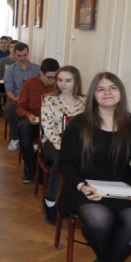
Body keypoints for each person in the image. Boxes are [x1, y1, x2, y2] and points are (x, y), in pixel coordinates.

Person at [58, 72, 131, 262]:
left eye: (112, 87)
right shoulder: (79, 124)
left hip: (123, 185)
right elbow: (66, 164)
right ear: (94, 95)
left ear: (121, 92)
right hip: (84, 185)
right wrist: (82, 186)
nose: (107, 93)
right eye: (100, 89)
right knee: (100, 218)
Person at [40, 66, 85, 225]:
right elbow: (48, 128)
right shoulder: (49, 100)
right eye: (60, 80)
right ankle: (50, 200)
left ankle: (75, 200)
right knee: (62, 159)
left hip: (77, 144)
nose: (63, 84)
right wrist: (63, 146)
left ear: (76, 81)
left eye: (68, 80)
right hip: (53, 142)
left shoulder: (84, 102)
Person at [15, 58, 60, 184]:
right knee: (23, 130)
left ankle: (44, 168)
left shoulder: (59, 86)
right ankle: (30, 167)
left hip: (52, 122)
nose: (53, 80)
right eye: (49, 77)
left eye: (55, 77)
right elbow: (20, 107)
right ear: (41, 73)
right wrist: (29, 115)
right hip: (34, 120)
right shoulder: (29, 84)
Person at [4, 42, 39, 151]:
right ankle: (15, 138)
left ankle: (35, 140)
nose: (23, 58)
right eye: (19, 56)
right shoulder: (10, 69)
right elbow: (8, 89)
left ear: (28, 53)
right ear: (15, 55)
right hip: (17, 98)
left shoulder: (37, 69)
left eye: (25, 55)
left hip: (33, 99)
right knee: (10, 107)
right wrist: (15, 98)